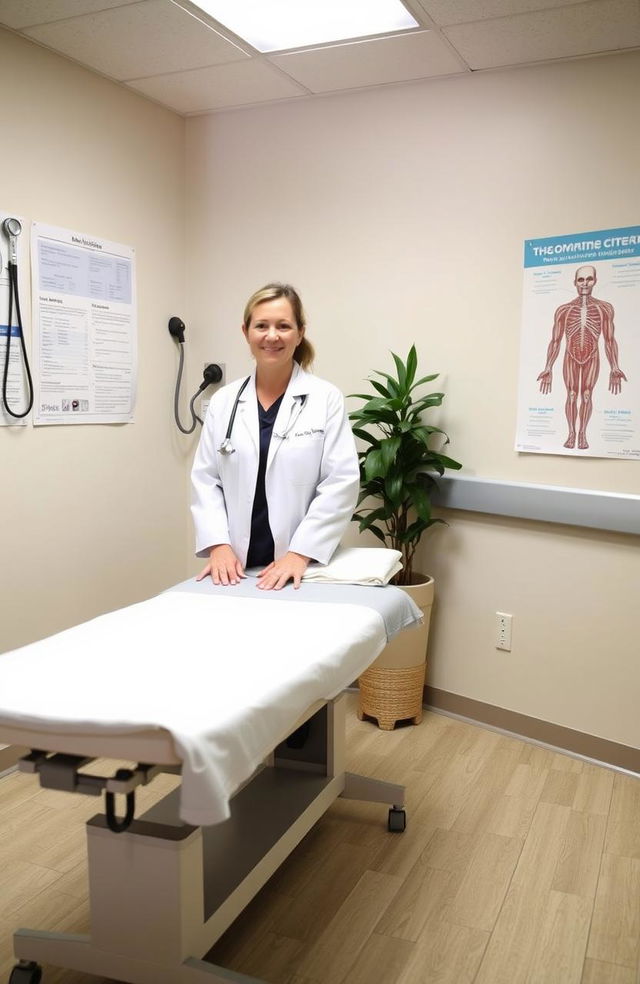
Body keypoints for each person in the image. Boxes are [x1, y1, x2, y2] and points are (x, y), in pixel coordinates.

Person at [191, 282, 360, 590]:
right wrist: (218, 545)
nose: (272, 336)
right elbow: (206, 479)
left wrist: (299, 553)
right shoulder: (224, 402)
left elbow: (341, 482)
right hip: (234, 567)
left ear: (300, 332)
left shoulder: (325, 399)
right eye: (261, 326)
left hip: (299, 568)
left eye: (283, 326)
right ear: (246, 332)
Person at [537, 265, 626, 450]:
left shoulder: (604, 308)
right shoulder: (564, 310)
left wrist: (614, 366)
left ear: (595, 281)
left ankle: (583, 434)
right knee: (571, 395)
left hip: (592, 356)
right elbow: (555, 341)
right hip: (570, 356)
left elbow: (609, 340)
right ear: (575, 283)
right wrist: (548, 367)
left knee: (586, 395)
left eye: (589, 279)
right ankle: (571, 434)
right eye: (581, 280)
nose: (585, 283)